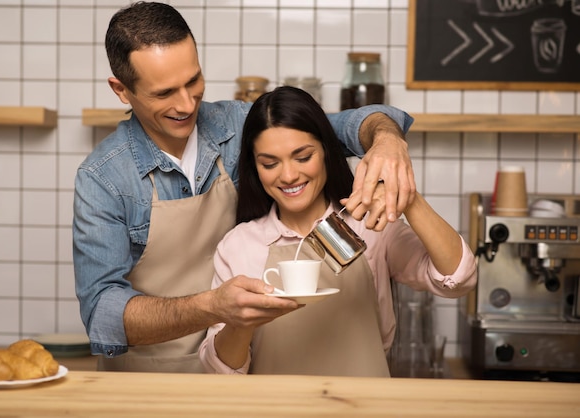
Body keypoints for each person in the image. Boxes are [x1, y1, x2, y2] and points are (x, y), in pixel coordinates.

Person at [73, 1, 416, 373]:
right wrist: (211, 306)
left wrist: (385, 137)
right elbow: (102, 312)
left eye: (193, 81)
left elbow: (330, 128)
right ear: (121, 90)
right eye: (165, 93)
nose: (186, 104)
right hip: (149, 385)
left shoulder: (237, 125)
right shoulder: (103, 179)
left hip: (236, 375)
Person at [198, 86, 477, 377]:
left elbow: (458, 279)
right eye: (270, 163)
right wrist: (240, 322)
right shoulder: (239, 245)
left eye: (303, 157)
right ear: (254, 168)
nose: (289, 175)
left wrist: (405, 196)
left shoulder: (368, 226)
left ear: (327, 152)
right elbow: (221, 373)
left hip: (368, 407)